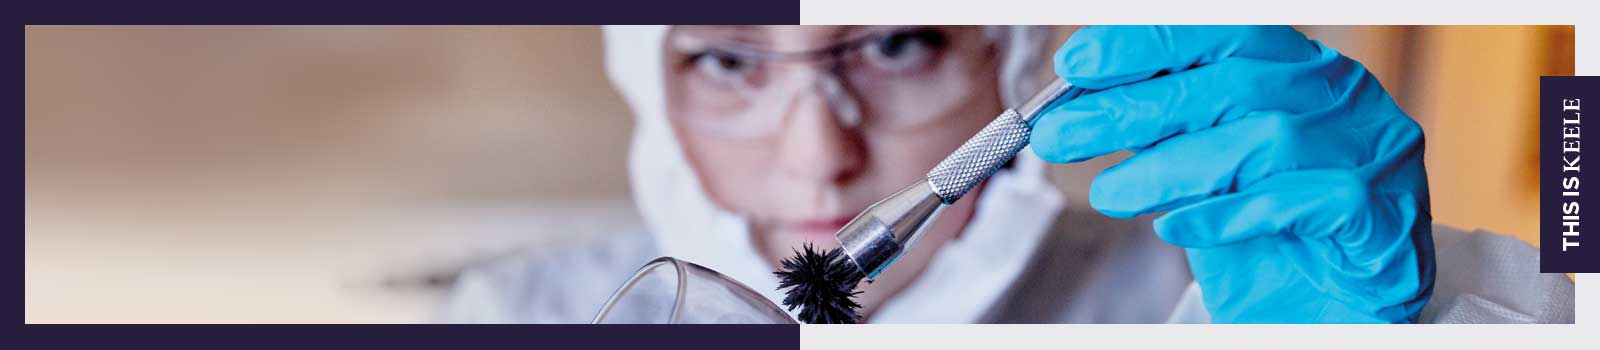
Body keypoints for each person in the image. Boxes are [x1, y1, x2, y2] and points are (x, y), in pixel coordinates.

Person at [442, 25, 1573, 323]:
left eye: (896, 44)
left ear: (1015, 61)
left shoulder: (1208, 284)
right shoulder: (521, 314)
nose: (815, 153)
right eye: (731, 61)